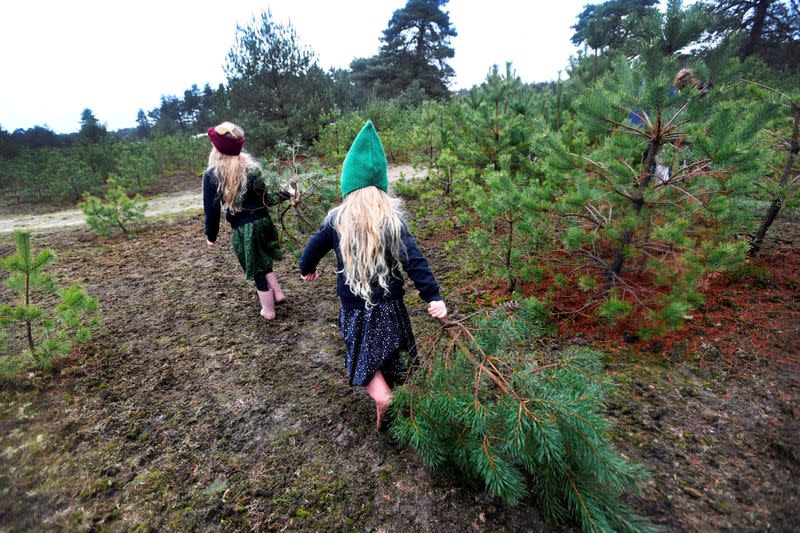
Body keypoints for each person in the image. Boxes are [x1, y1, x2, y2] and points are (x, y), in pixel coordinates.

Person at [298, 120, 447, 431]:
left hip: (355, 308)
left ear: (347, 185)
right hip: (391, 304)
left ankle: (382, 396)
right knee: (395, 348)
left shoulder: (335, 220)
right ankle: (405, 401)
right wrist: (432, 296)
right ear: (382, 187)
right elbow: (415, 261)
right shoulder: (392, 221)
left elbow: (310, 252)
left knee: (363, 350)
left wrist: (306, 269)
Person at [203, 121, 293, 320]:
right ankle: (278, 294)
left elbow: (212, 211)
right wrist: (286, 193)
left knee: (256, 270)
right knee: (262, 259)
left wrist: (211, 235)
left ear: (217, 148)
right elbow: (266, 200)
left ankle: (268, 310)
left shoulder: (212, 175)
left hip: (244, 230)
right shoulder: (251, 168)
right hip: (264, 223)